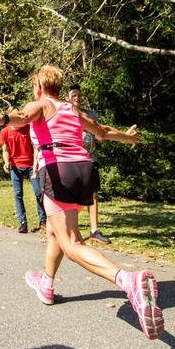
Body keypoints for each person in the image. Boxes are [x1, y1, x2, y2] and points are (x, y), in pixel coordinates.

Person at [0, 65, 163, 340]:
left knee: (72, 243)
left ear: (38, 85)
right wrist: (128, 137)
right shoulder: (72, 109)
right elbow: (102, 131)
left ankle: (128, 281)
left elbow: (23, 115)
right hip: (83, 171)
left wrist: (1, 118)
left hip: (58, 170)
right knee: (55, 231)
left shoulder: (42, 104)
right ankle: (46, 284)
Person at [67, 84, 110, 244]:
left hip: (91, 159)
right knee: (73, 196)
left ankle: (94, 231)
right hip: (73, 160)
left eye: (79, 95)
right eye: (73, 96)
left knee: (93, 194)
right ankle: (72, 230)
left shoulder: (91, 114)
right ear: (68, 98)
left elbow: (100, 135)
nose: (77, 98)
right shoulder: (66, 114)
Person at [0, 122, 46, 233]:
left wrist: (36, 164)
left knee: (39, 192)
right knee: (18, 194)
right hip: (15, 167)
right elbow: (5, 150)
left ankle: (43, 221)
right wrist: (6, 162)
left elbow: (35, 147)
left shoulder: (29, 128)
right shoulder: (5, 131)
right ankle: (23, 223)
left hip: (31, 165)